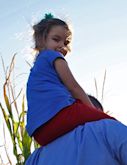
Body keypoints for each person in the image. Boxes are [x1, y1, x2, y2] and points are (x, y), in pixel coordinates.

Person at [26, 13, 114, 146]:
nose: (62, 46)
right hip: (59, 116)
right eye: (56, 39)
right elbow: (73, 87)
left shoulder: (37, 69)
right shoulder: (53, 56)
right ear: (41, 40)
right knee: (110, 124)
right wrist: (93, 111)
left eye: (66, 42)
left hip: (40, 133)